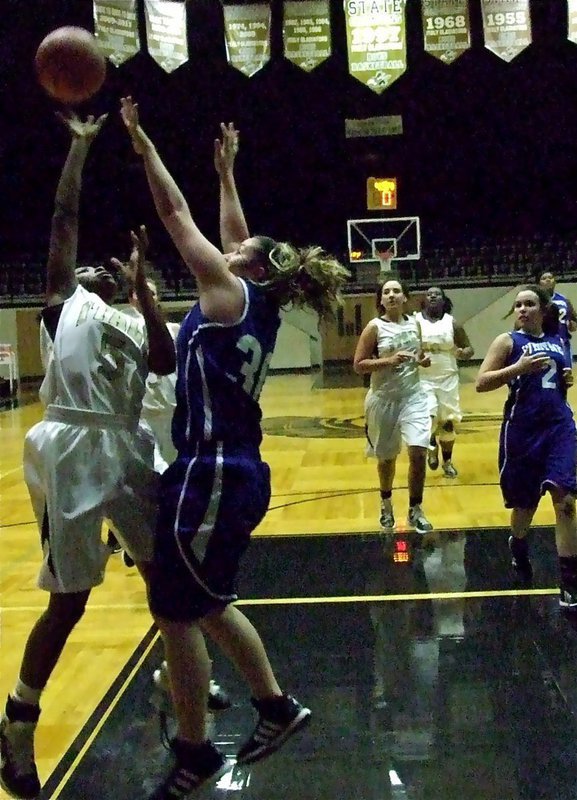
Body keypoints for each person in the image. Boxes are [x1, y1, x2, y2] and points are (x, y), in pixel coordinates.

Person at [120, 97, 350, 796]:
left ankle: (216, 741)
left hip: (214, 468)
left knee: (181, 608)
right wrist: (226, 173)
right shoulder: (260, 300)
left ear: (244, 269)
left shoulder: (227, 293)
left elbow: (173, 218)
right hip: (224, 467)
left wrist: (142, 142)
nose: (226, 250)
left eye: (236, 253)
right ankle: (260, 715)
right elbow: (236, 233)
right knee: (202, 603)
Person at [0, 113, 176, 800]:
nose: (101, 263)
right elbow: (63, 214)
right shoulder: (63, 300)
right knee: (69, 602)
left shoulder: (136, 317)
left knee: (170, 580)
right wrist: (79, 147)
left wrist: (146, 296)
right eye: (97, 263)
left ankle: (178, 674)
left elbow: (162, 359)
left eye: (116, 264)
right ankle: (18, 721)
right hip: (70, 440)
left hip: (127, 443)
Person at [476, 285, 577, 609]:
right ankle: (518, 545)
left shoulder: (559, 342)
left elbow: (560, 381)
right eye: (517, 304)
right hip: (522, 430)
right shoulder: (508, 341)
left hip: (559, 426)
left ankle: (570, 583)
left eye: (529, 304)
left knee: (566, 501)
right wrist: (517, 369)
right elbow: (482, 382)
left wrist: (566, 378)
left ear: (542, 310)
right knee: (525, 507)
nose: (522, 309)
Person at [353, 275, 434, 535]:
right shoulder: (374, 327)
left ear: (405, 297)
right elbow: (359, 365)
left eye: (396, 291)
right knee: (386, 459)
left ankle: (416, 508)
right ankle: (386, 503)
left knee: (419, 452)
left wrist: (423, 360)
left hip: (413, 396)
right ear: (381, 299)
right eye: (386, 292)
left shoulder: (415, 325)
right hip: (383, 399)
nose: (391, 295)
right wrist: (389, 361)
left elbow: (418, 354)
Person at [416, 286, 474, 478]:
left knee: (448, 423)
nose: (432, 296)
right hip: (423, 377)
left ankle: (447, 462)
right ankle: (431, 445)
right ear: (424, 299)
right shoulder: (415, 321)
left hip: (447, 376)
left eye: (437, 294)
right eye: (429, 293)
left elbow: (469, 349)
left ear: (443, 299)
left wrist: (463, 353)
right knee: (428, 417)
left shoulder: (452, 323)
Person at [538, 270, 577, 369]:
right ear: (539, 283)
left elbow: (574, 322)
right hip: (542, 343)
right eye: (544, 278)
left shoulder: (564, 300)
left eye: (550, 278)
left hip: (562, 343)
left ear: (555, 281)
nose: (547, 280)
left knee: (566, 377)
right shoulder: (535, 300)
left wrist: (571, 324)